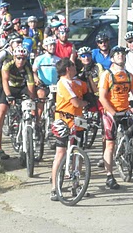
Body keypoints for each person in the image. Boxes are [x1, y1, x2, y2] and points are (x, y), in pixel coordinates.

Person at [98, 45, 133, 190]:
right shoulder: (107, 75)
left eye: (122, 53)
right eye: (117, 54)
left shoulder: (129, 75)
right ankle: (109, 176)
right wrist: (112, 112)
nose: (121, 55)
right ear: (112, 58)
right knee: (110, 145)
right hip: (111, 113)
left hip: (125, 111)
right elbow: (102, 97)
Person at [49, 57, 89, 201]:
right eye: (73, 66)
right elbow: (76, 103)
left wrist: (89, 78)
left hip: (78, 121)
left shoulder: (77, 82)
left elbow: (91, 90)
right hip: (63, 122)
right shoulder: (63, 83)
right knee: (60, 153)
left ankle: (76, 185)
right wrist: (86, 103)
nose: (75, 68)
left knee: (78, 153)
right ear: (68, 69)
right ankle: (54, 188)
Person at [33, 36, 61, 124]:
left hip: (54, 85)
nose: (53, 47)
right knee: (41, 97)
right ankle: (37, 122)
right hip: (43, 85)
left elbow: (62, 73)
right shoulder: (40, 58)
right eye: (50, 45)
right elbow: (33, 71)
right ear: (45, 47)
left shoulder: (58, 59)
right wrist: (36, 78)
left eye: (54, 45)